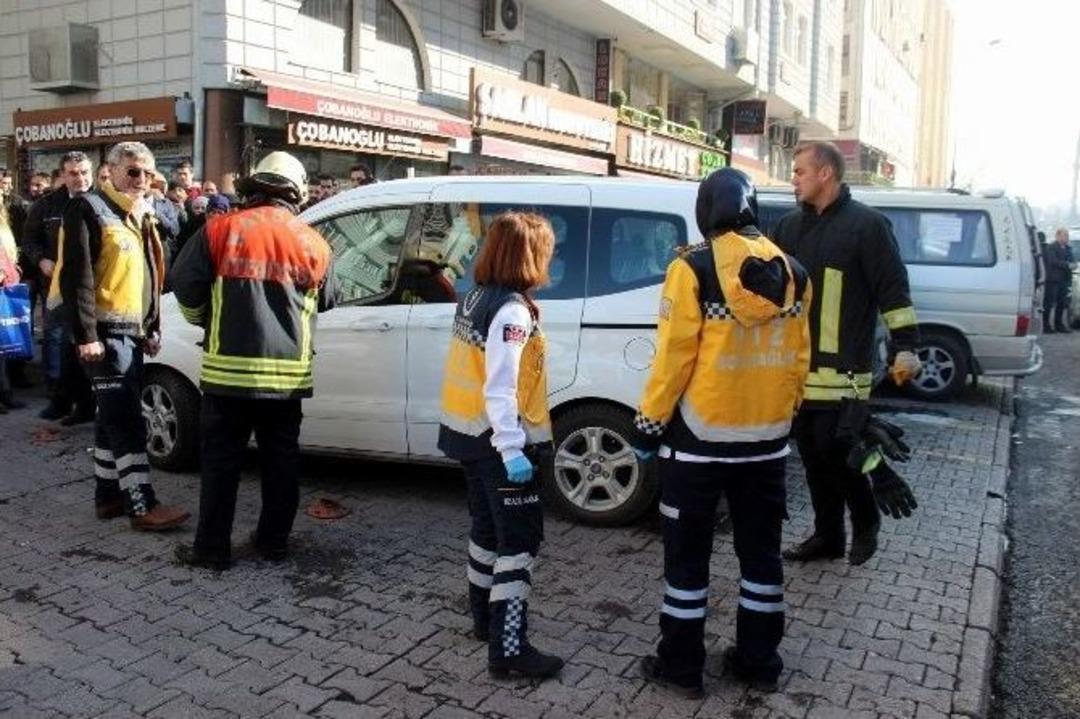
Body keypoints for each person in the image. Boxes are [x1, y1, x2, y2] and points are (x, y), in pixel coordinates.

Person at [627, 169, 811, 696]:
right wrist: (784, 415)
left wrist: (647, 425)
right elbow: (799, 360)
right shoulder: (795, 272)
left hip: (697, 446)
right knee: (761, 558)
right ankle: (759, 662)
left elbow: (674, 358)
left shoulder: (692, 268)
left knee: (687, 560)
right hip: (767, 444)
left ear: (707, 208)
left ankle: (681, 666)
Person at [171, 151, 336, 570]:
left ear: (252, 187)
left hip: (227, 374)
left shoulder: (219, 230)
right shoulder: (313, 241)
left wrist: (206, 320)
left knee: (221, 463)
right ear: (295, 192)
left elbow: (185, 285)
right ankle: (273, 543)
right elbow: (330, 299)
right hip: (287, 379)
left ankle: (211, 550)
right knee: (280, 463)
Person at [773, 141, 920, 567]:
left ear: (825, 174)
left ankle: (866, 519)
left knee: (840, 451)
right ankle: (828, 537)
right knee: (814, 458)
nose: (794, 179)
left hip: (847, 373)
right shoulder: (787, 228)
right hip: (801, 371)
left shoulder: (868, 226)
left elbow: (894, 291)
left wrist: (906, 347)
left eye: (800, 171)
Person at [437, 212, 564, 680]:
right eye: (545, 251)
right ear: (530, 255)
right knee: (520, 542)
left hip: (467, 436)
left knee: (486, 531)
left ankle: (483, 622)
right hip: (498, 444)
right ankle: (508, 649)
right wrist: (512, 449)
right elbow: (501, 384)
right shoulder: (511, 310)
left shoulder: (474, 296)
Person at [59, 141, 190, 531]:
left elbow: (148, 276)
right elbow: (76, 277)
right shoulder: (87, 208)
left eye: (148, 173)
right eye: (133, 171)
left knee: (109, 417)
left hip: (130, 334)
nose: (141, 179)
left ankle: (108, 497)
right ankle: (141, 505)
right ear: (111, 171)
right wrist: (86, 334)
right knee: (128, 420)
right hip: (104, 334)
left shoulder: (139, 213)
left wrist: (151, 326)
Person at [24, 151, 96, 423]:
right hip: (56, 289)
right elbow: (29, 241)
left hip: (92, 290)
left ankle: (87, 406)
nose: (80, 178)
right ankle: (60, 400)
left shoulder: (101, 202)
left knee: (87, 349)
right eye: (74, 173)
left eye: (84, 172)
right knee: (59, 346)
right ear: (63, 176)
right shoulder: (46, 206)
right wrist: (40, 259)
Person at [0, 202, 27, 413]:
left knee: (3, 350)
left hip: (6, 288)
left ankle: (5, 394)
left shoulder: (4, 225)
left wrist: (12, 269)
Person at [1043, 228, 1076, 333]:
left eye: (1067, 235)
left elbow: (1072, 260)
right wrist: (1068, 265)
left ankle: (1059, 325)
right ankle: (1046, 325)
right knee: (1049, 303)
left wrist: (1073, 264)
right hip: (1053, 280)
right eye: (1064, 235)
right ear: (1057, 236)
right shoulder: (1051, 247)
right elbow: (1053, 261)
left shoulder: (1068, 248)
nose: (1066, 238)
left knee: (1062, 303)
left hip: (1064, 280)